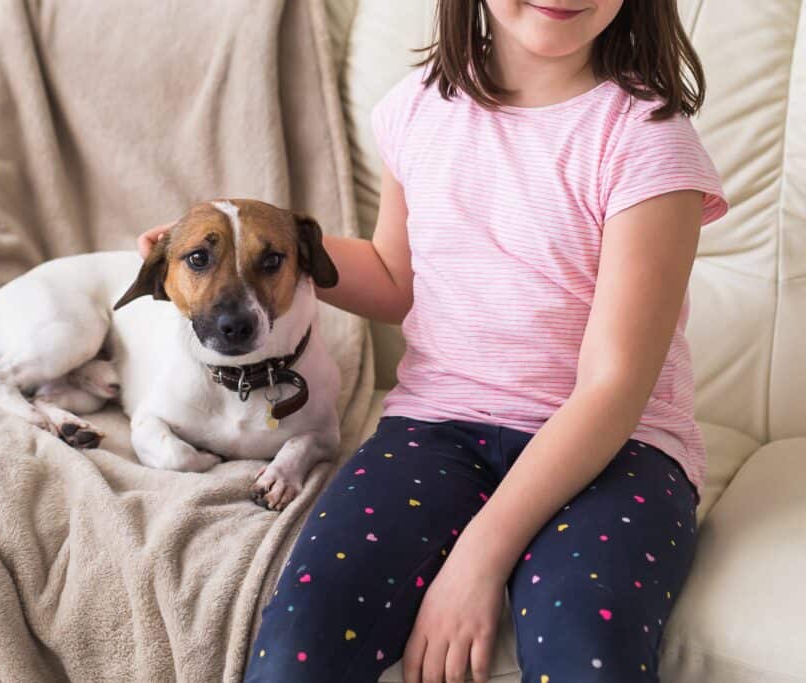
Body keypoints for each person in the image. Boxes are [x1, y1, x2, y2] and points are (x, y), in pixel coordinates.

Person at [139, 1, 727, 681]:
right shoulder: (421, 107)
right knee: (300, 638)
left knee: (584, 648)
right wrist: (256, 249)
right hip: (437, 429)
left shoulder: (648, 138)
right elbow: (393, 277)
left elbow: (612, 389)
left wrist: (478, 557)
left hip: (617, 450)